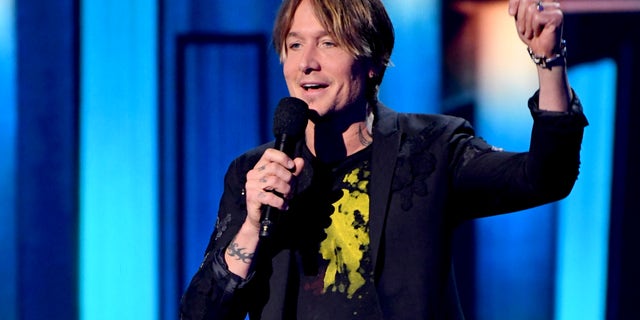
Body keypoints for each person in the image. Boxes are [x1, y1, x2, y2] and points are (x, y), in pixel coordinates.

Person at [180, 0, 588, 318]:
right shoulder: (254, 174)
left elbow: (546, 177)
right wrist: (252, 226)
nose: (307, 62)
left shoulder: (432, 148)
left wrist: (549, 63)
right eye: (294, 44)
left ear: (373, 62)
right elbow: (201, 314)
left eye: (328, 42)